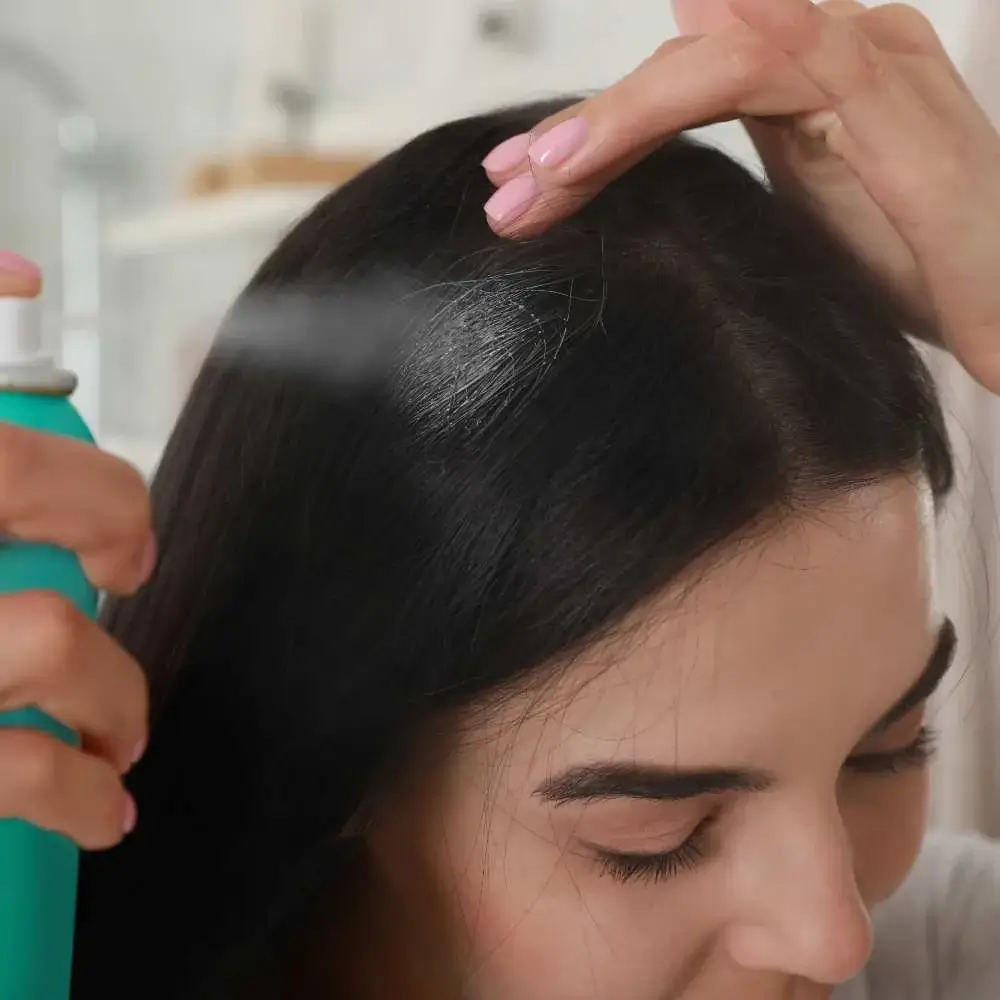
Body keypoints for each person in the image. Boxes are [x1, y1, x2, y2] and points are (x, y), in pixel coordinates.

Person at [0, 2, 995, 999]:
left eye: (886, 751)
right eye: (661, 835)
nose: (831, 936)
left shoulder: (943, 958)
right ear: (327, 762)